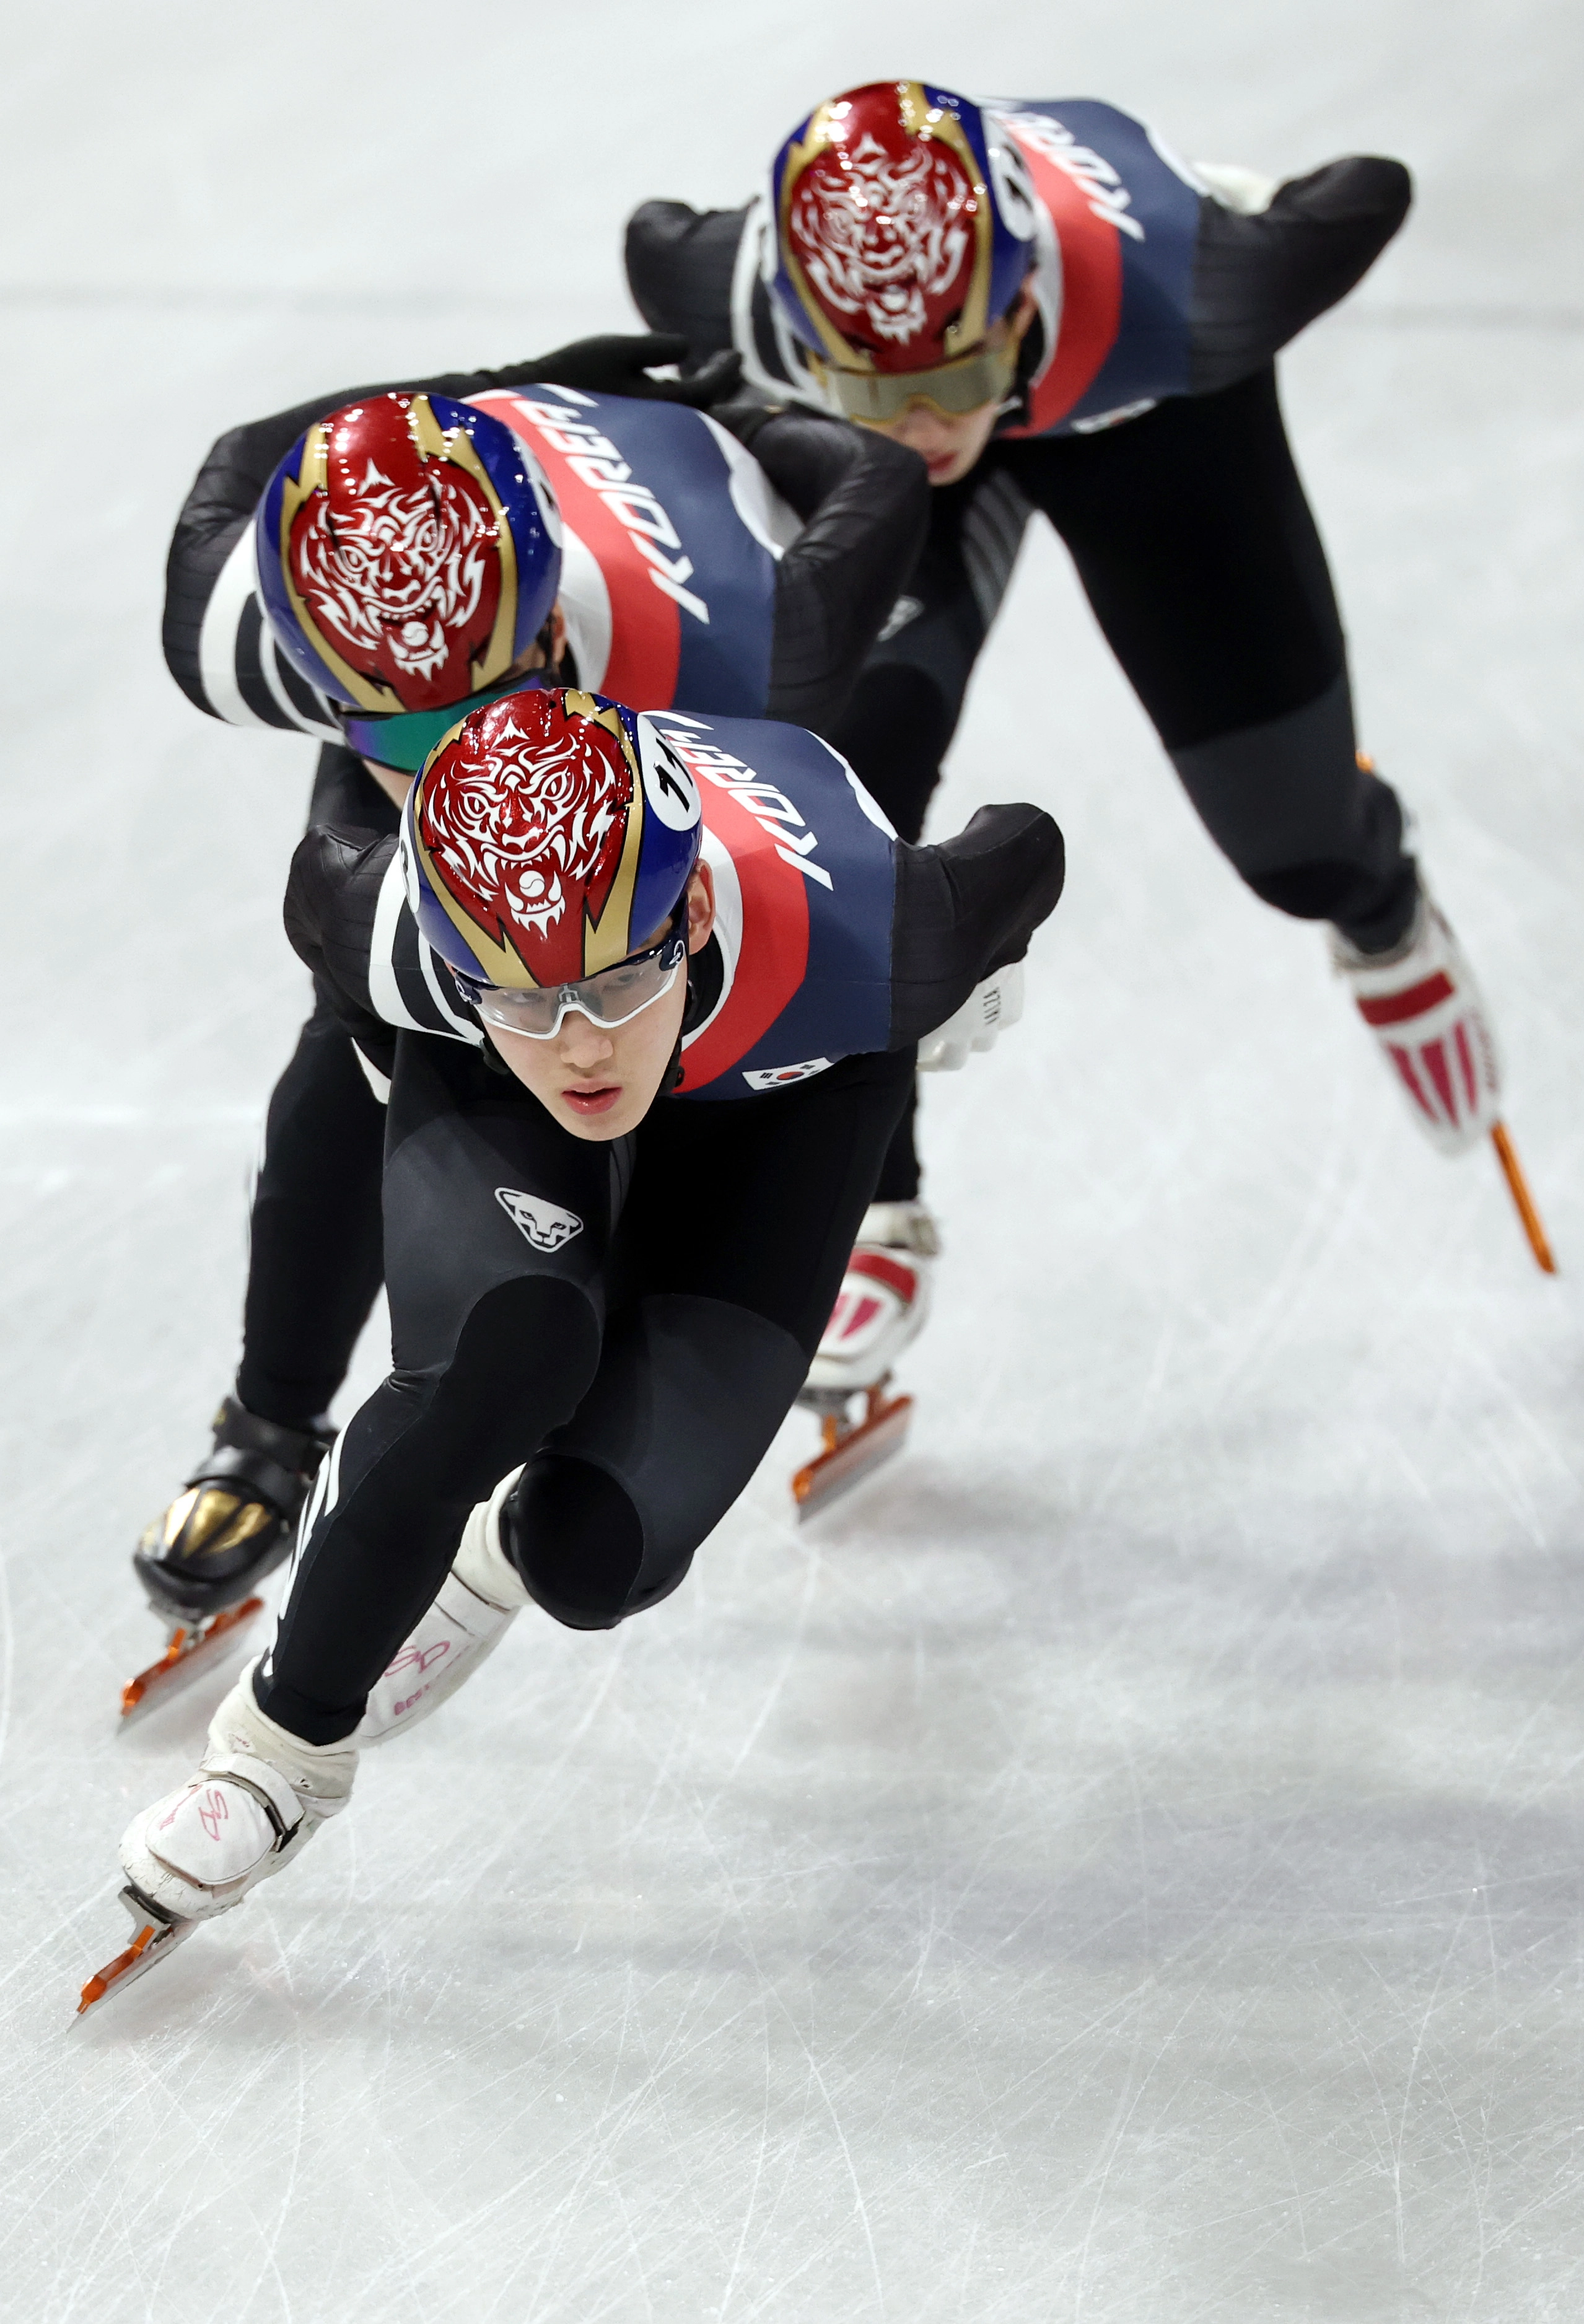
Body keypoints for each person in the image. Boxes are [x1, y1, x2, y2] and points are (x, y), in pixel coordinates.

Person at [102, 683, 1062, 1963]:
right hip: (490, 1051)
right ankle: (271, 1765)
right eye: (531, 1002)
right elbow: (322, 908)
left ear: (695, 910)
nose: (582, 1048)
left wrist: (978, 978)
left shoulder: (886, 934)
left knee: (595, 1555)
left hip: (789, 1091)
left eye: (613, 987)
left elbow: (1026, 845)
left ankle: (491, 1552)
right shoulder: (398, 932)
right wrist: (394, 1052)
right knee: (503, 1351)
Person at [626, 81, 1503, 1390]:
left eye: (958, 376)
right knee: (826, 794)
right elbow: (654, 235)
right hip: (918, 477)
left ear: (1024, 294)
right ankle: (873, 1193)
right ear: (802, 332)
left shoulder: (1200, 282)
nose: (923, 425)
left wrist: (1239, 204)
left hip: (1152, 418)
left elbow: (1368, 187)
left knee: (1291, 843)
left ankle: (1375, 902)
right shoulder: (734, 286)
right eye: (873, 382)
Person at [134, 336, 930, 1646]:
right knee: (353, 1035)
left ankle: (883, 1190)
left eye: (481, 698)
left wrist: (761, 426)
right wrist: (504, 383)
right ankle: (268, 1425)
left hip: (661, 713)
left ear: (551, 630)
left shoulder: (751, 640)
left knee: (817, 924)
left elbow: (886, 482)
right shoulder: (240, 636)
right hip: (439, 643)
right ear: (315, 687)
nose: (454, 751)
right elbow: (246, 460)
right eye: (408, 730)